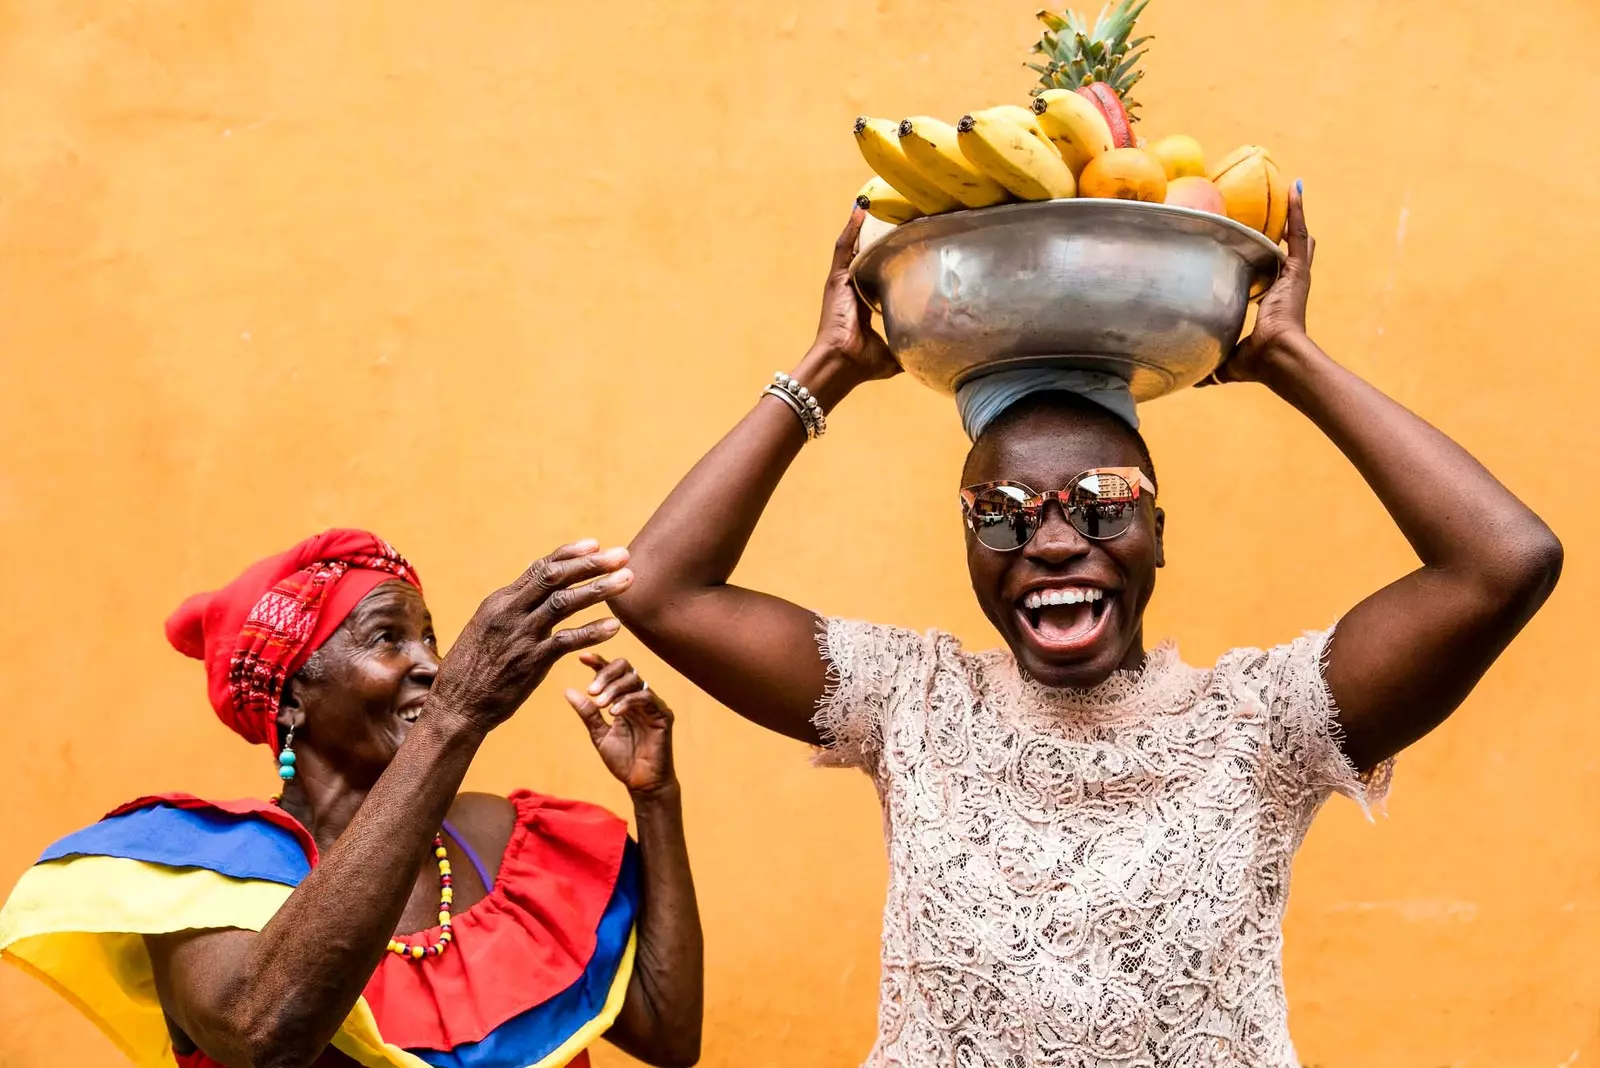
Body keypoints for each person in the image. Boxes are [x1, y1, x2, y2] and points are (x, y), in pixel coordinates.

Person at [612, 190, 1562, 1066]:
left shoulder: (1266, 721)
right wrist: (825, 370)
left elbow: (1504, 562)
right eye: (1003, 511)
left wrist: (1290, 361)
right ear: (970, 539)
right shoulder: (910, 700)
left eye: (1104, 502)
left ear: (1157, 535)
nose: (1055, 540)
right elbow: (657, 587)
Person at [0, 530, 702, 1068]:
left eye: (430, 636)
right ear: (292, 694)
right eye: (387, 638)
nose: (430, 663)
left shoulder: (506, 840)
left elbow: (669, 1034)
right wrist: (457, 716)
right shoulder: (194, 863)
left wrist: (657, 797)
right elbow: (265, 1037)